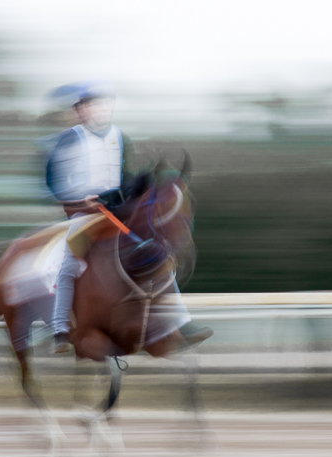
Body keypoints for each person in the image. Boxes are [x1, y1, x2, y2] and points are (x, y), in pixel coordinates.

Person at [45, 80, 212, 354]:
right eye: (95, 105)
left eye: (105, 104)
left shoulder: (121, 138)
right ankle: (60, 329)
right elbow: (53, 180)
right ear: (83, 109)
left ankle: (183, 322)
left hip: (115, 211)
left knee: (157, 253)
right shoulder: (69, 139)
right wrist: (78, 198)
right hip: (83, 213)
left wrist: (140, 186)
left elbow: (123, 178)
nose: (101, 109)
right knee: (68, 264)